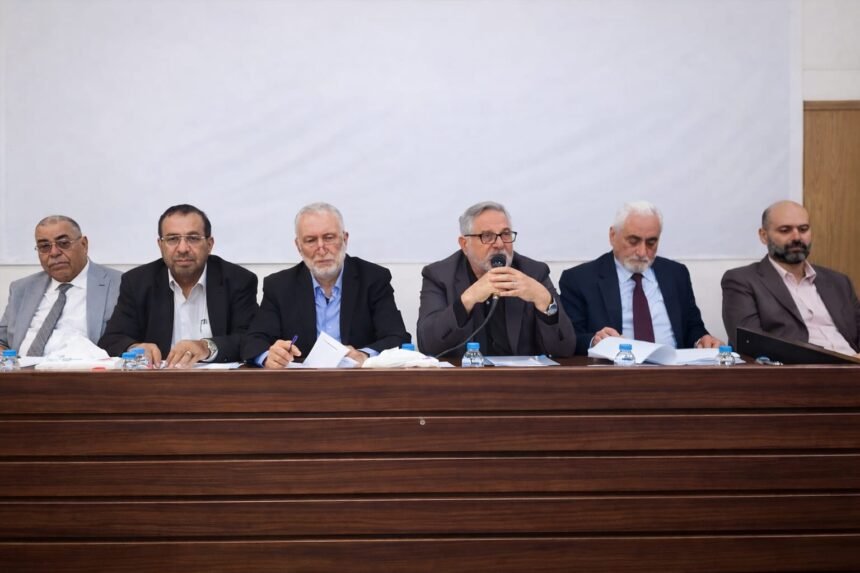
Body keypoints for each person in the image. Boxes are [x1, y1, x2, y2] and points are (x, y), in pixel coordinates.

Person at [242, 202, 410, 368]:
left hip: (358, 379)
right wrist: (268, 356)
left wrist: (363, 354)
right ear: (298, 246)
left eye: (329, 238)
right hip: (301, 381)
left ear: (345, 239)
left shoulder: (373, 279)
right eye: (311, 240)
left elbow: (397, 337)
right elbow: (253, 341)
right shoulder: (279, 286)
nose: (321, 249)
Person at [98, 204, 259, 367]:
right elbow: (112, 339)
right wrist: (136, 348)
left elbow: (250, 339)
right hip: (158, 380)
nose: (182, 249)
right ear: (160, 245)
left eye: (193, 238)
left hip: (218, 380)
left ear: (209, 244)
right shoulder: (137, 282)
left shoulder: (238, 280)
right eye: (172, 239)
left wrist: (206, 347)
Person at [559, 200, 721, 355]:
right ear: (613, 236)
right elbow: (569, 339)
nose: (642, 252)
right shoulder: (579, 280)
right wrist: (594, 340)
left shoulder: (676, 274)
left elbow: (693, 327)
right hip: (617, 369)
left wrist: (702, 340)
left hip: (674, 367)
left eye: (651, 243)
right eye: (633, 241)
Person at [417, 201, 575, 359]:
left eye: (505, 234)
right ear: (464, 244)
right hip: (465, 374)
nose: (499, 244)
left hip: (519, 374)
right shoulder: (439, 276)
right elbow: (428, 345)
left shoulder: (534, 272)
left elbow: (565, 349)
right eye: (487, 236)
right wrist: (468, 300)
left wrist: (544, 300)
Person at [721, 200, 859, 354]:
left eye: (803, 229)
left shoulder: (839, 282)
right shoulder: (742, 281)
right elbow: (750, 345)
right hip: (800, 366)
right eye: (785, 230)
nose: (797, 237)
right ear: (764, 236)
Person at [0, 215, 122, 355]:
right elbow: (2, 341)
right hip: (22, 368)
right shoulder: (22, 288)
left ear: (84, 244)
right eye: (44, 246)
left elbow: (129, 341)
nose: (54, 253)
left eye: (63, 243)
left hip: (86, 367)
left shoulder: (120, 284)